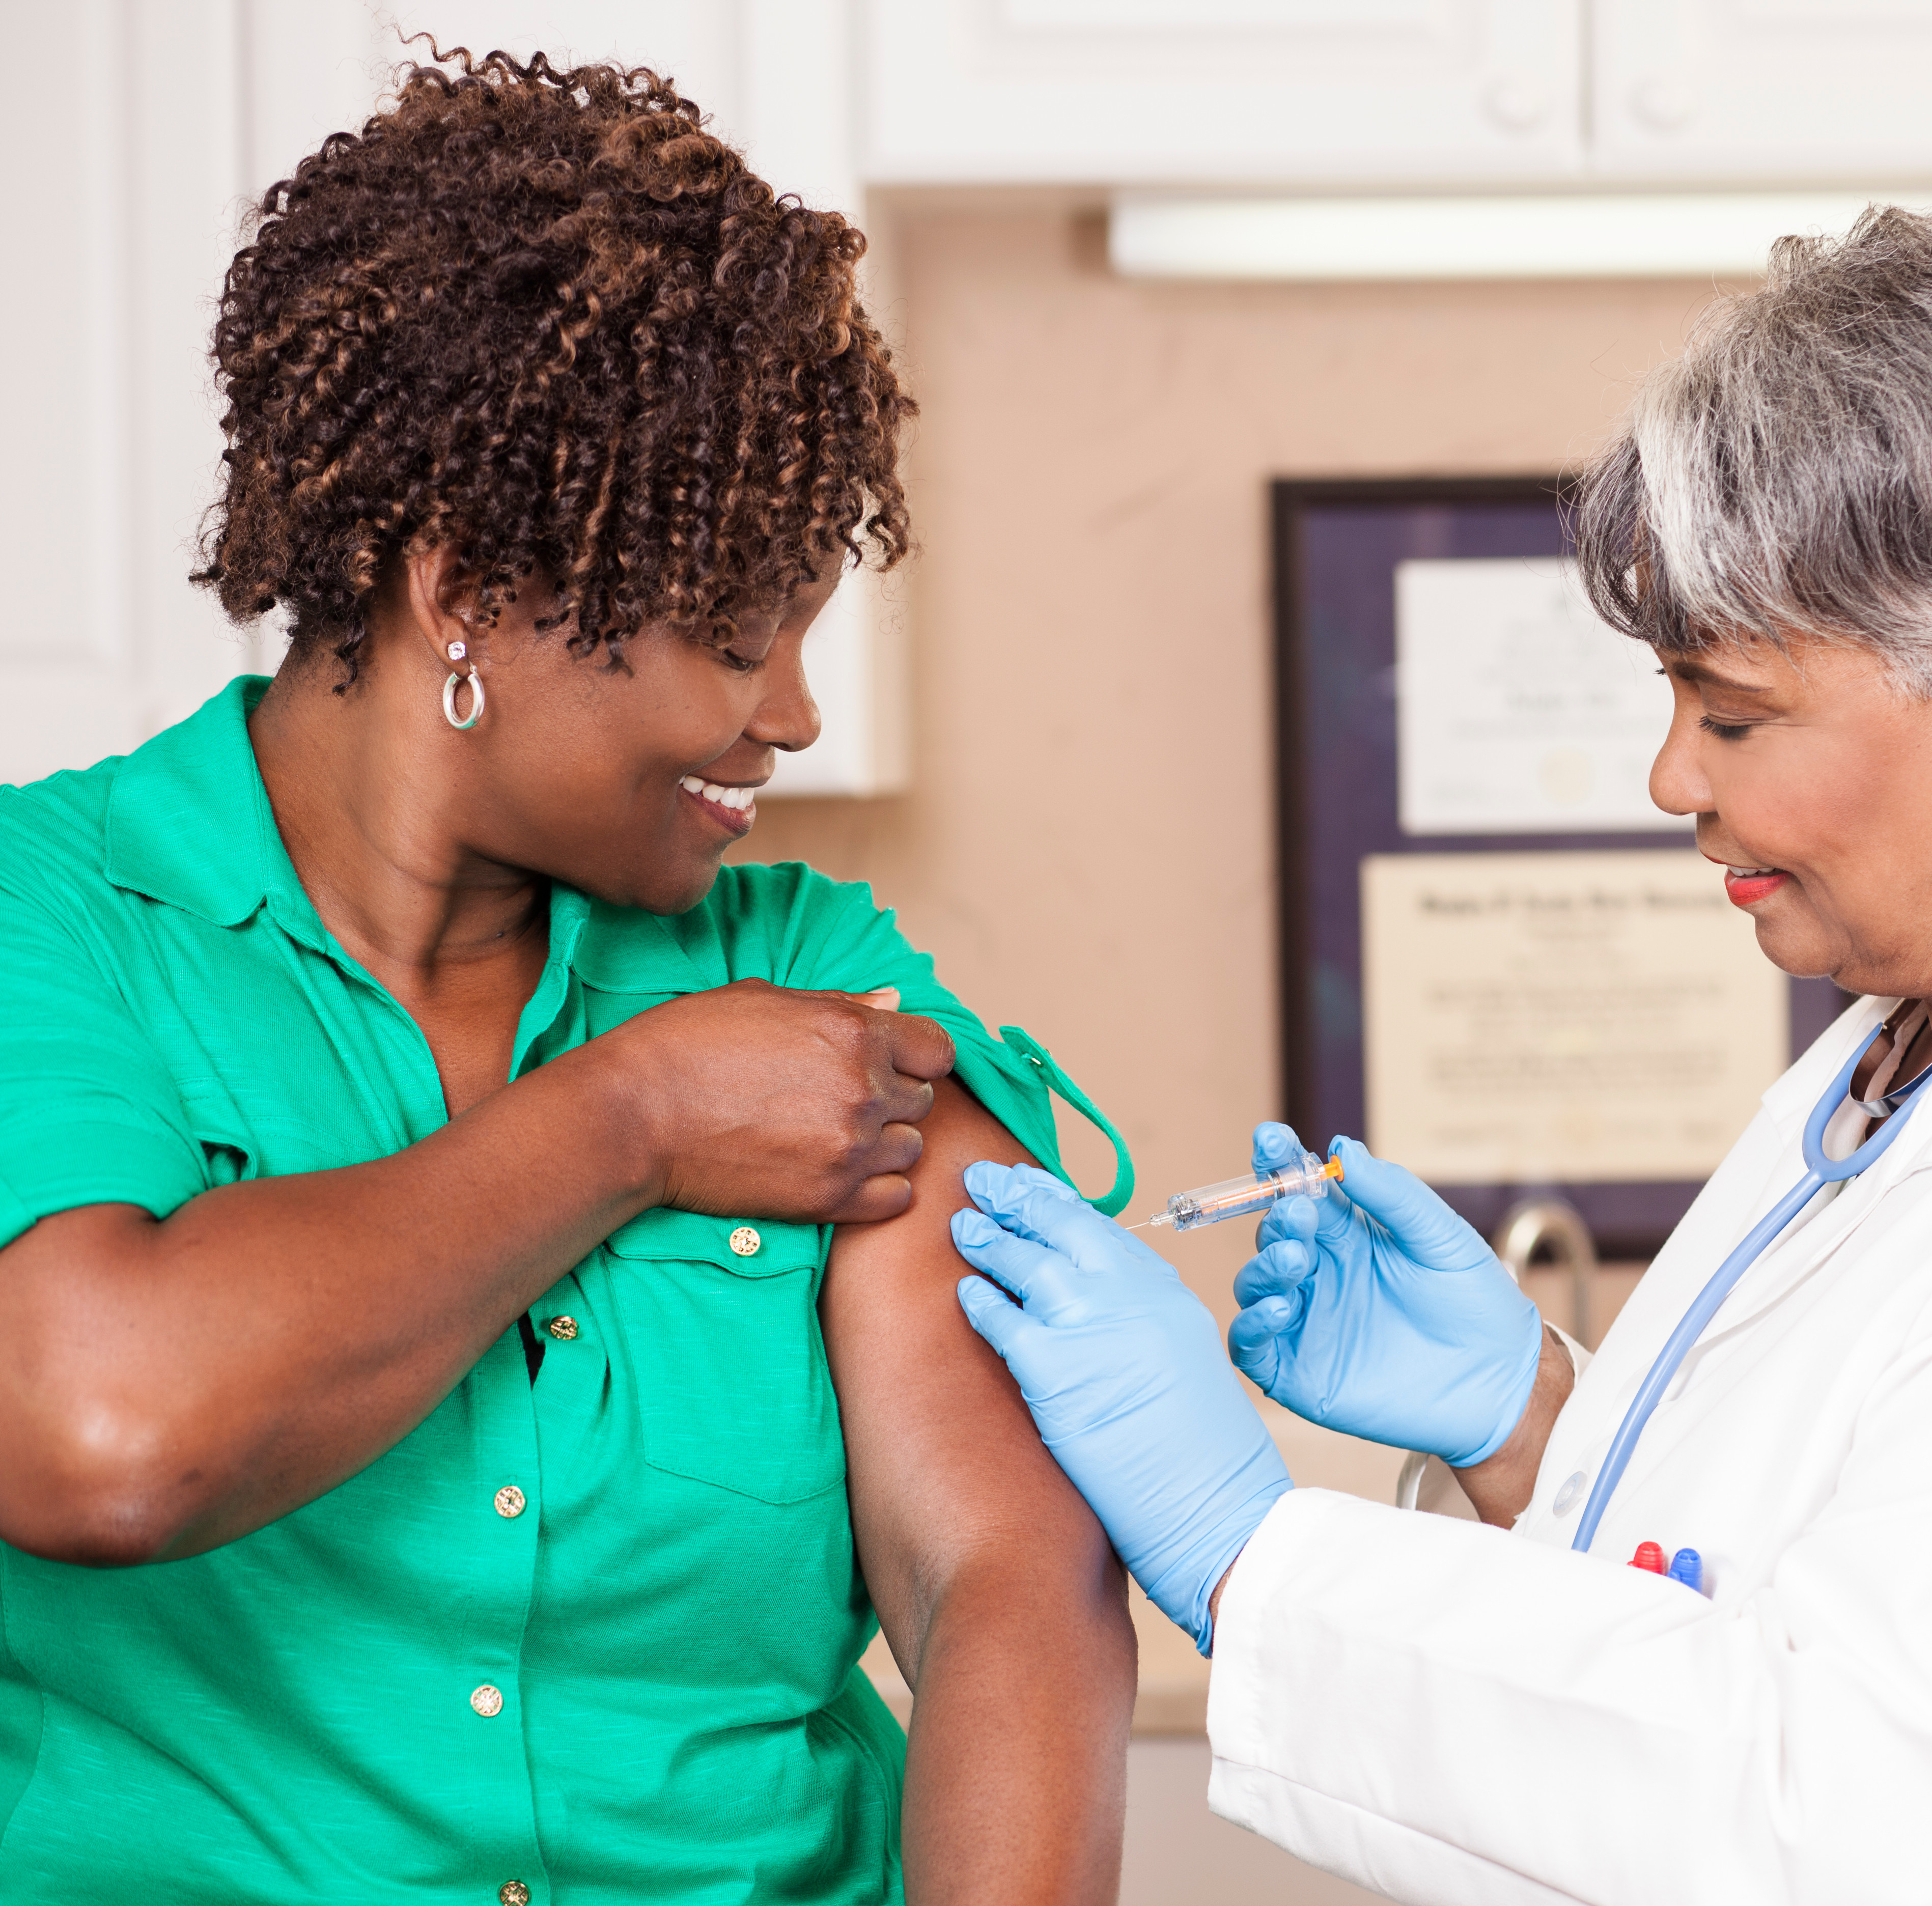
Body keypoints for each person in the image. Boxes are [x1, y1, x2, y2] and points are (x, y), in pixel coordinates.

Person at [951, 204, 1932, 1904]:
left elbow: (1845, 1824)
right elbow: (1794, 1598)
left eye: (1731, 713)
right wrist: (1535, 1432)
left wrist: (1245, 1554)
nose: (1670, 781)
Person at [0, 53, 1132, 1905]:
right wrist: (633, 1119)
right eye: (731, 637)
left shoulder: (810, 971)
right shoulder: (45, 915)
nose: (790, 715)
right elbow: (100, 1434)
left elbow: (1006, 1571)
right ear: (463, 597)